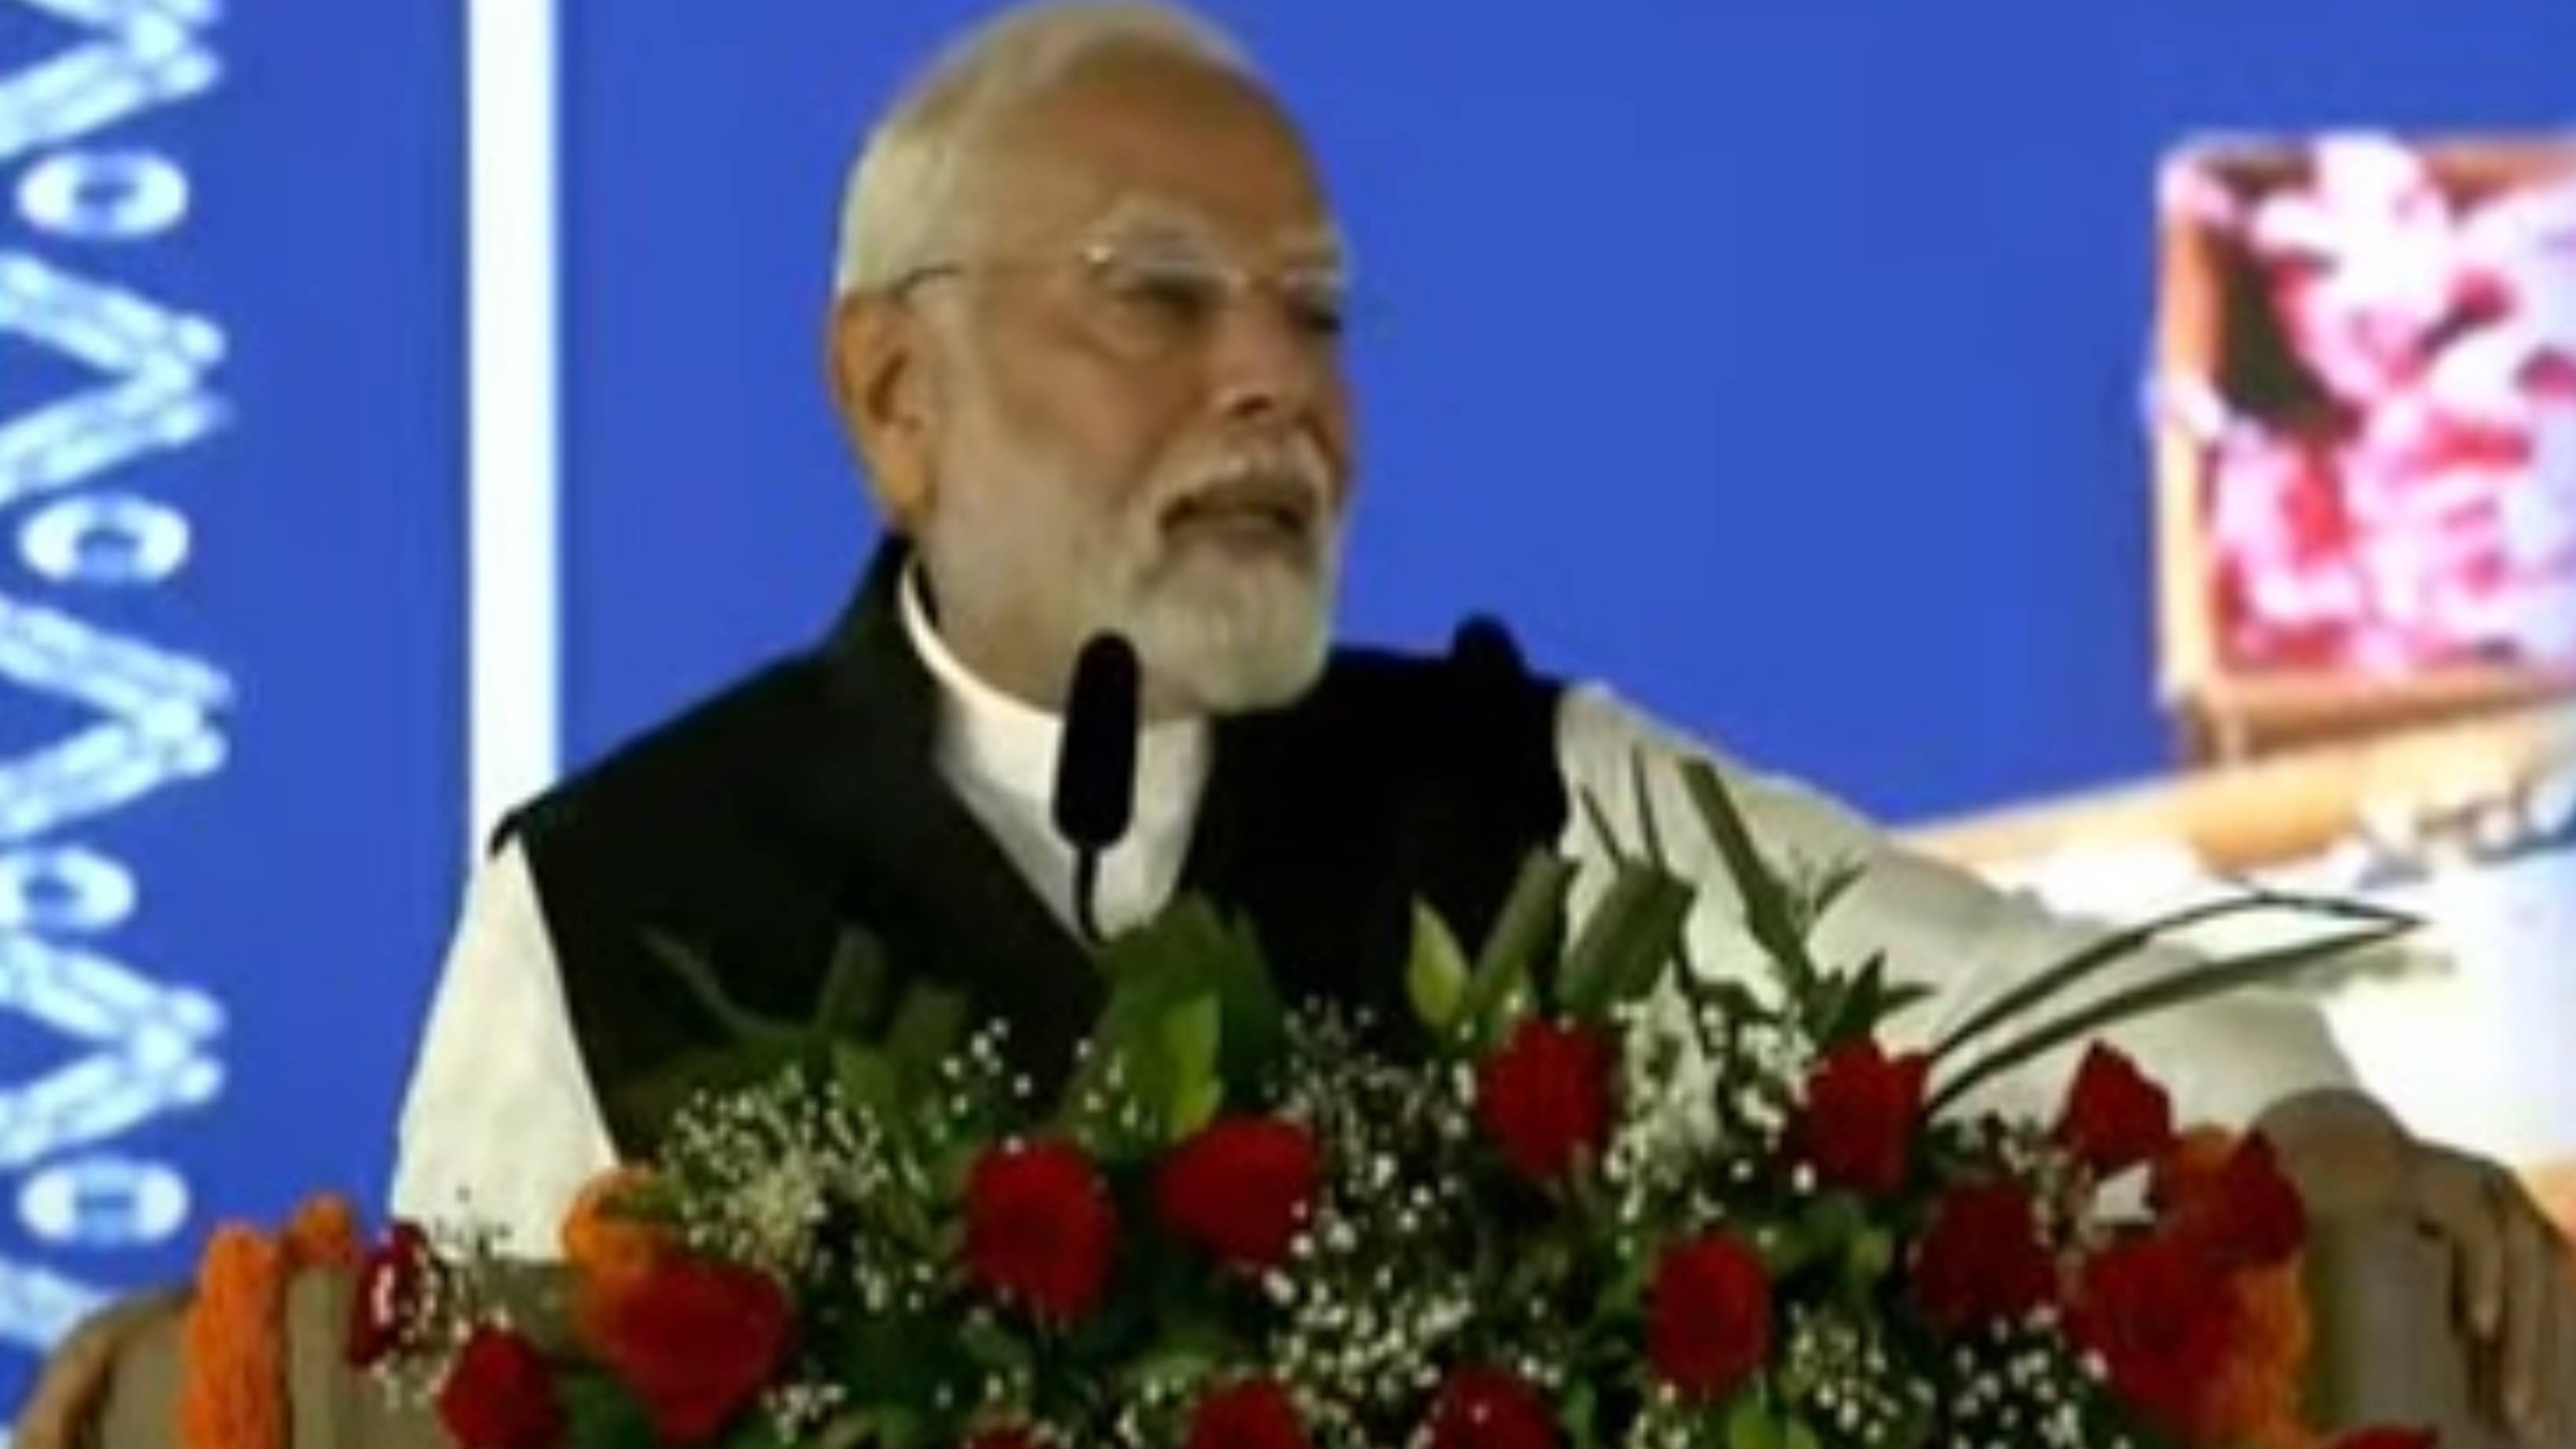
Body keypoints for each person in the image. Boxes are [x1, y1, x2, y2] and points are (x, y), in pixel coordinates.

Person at [22, 3, 2573, 1444]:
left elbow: (2069, 1014)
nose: (1277, 384)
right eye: (1159, 297)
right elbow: (456, 1391)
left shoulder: (1529, 801)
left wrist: (2333, 1141)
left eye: (1318, 313)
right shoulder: (611, 898)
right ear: (893, 395)